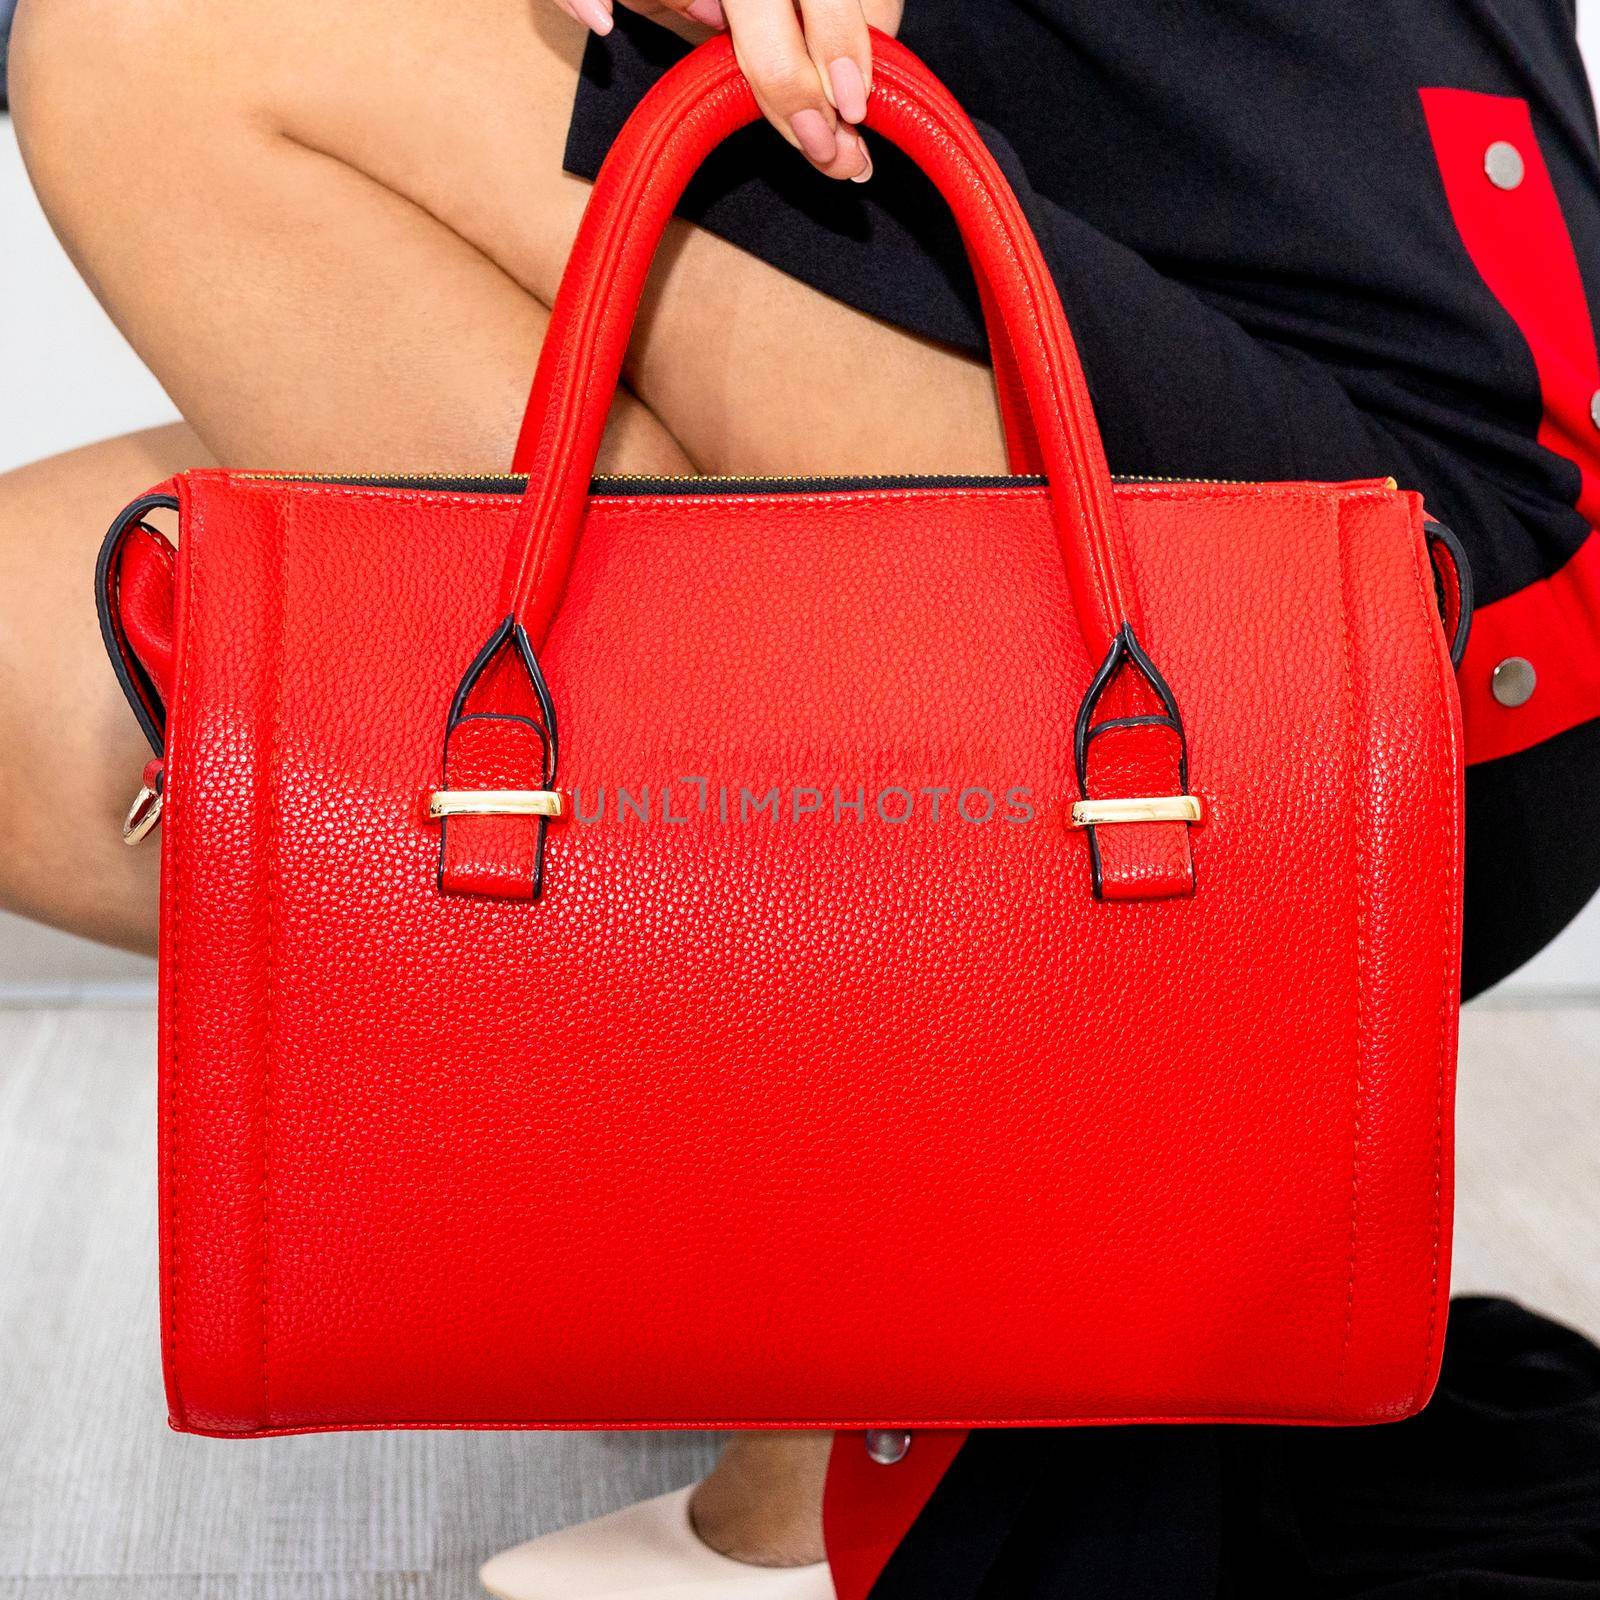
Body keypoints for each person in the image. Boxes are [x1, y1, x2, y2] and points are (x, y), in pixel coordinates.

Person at [4, 0, 1599, 1595]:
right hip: (1031, 286)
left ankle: (868, 1353)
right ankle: (821, 1194)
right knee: (33, 672)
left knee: (151, 41)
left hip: (1426, 568)